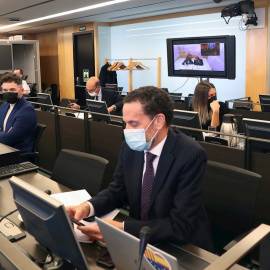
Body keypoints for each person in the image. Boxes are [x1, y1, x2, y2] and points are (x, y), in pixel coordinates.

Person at [67, 86, 214, 252]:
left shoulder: (190, 154)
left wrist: (122, 228)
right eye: (125, 123)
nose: (127, 131)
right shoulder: (130, 147)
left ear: (159, 121)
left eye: (133, 124)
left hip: (182, 247)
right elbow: (118, 190)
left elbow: (180, 225)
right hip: (140, 240)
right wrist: (88, 207)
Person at [0, 73, 37, 153]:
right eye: (5, 90)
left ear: (21, 91)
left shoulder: (27, 110)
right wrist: (4, 133)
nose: (8, 92)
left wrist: (5, 135)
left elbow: (8, 140)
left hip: (17, 155)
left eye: (12, 90)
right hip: (3, 149)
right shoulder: (4, 106)